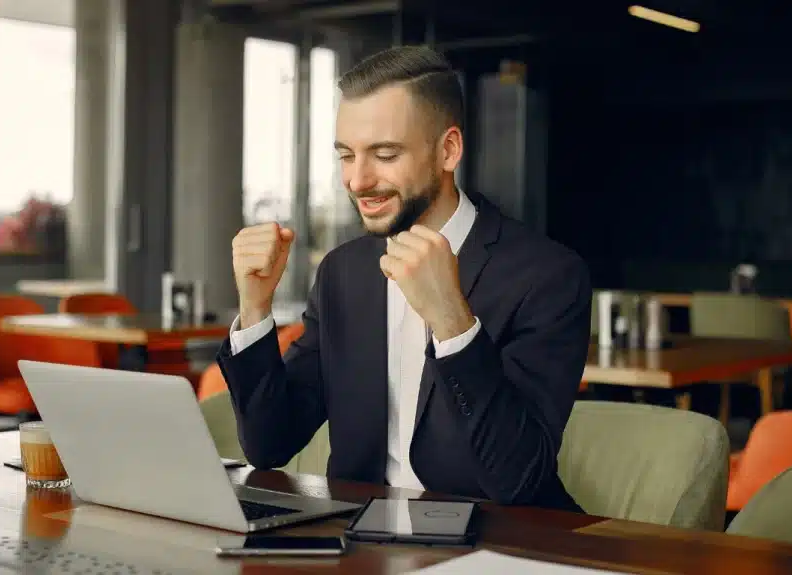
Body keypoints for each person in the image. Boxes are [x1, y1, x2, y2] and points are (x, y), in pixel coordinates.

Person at [217, 45, 590, 511]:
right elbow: (269, 446)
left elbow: (518, 479)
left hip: (497, 541)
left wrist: (454, 323)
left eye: (385, 154)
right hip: (361, 543)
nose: (357, 180)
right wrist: (254, 308)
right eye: (346, 156)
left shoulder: (548, 276)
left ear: (448, 150)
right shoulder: (343, 272)